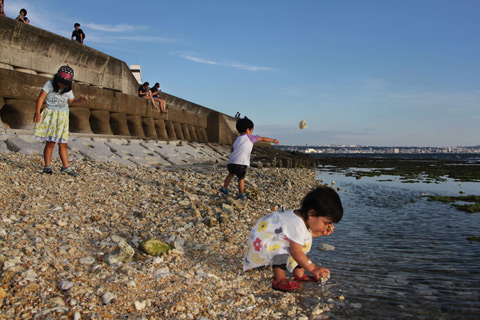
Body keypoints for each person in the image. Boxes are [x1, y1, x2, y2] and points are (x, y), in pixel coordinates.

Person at [243, 186, 344, 292]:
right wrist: (313, 268)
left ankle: (299, 274)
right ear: (312, 214)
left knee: (301, 246)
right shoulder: (297, 225)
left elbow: (304, 236)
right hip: (261, 242)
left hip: (269, 236)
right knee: (287, 250)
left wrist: (321, 232)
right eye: (326, 223)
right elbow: (296, 251)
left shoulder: (303, 217)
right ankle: (279, 279)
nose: (327, 227)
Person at [34, 66, 88, 176]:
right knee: (51, 142)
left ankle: (65, 167)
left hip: (63, 117)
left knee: (63, 143)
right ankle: (47, 166)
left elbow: (72, 103)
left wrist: (80, 100)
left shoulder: (68, 90)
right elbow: (40, 98)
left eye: (65, 83)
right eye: (61, 82)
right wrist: (37, 112)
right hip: (51, 115)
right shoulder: (49, 84)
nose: (62, 85)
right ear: (57, 79)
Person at [220, 117, 279, 199]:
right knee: (241, 179)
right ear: (248, 130)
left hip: (231, 162)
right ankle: (241, 194)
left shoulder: (237, 139)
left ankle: (225, 187)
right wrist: (273, 140)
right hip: (241, 163)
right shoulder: (250, 137)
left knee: (231, 174)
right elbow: (262, 139)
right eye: (252, 130)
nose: (252, 132)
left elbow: (232, 149)